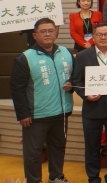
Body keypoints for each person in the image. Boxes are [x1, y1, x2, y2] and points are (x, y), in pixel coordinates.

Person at [10, 18, 74, 183]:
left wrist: (72, 84)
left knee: (58, 148)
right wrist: (23, 114)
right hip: (36, 115)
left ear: (56, 32)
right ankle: (34, 180)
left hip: (61, 112)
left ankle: (56, 177)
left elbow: (75, 77)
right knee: (33, 153)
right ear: (35, 35)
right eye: (43, 31)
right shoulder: (25, 58)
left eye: (51, 31)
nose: (47, 34)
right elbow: (16, 88)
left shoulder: (66, 53)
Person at [71, 23, 107, 183]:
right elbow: (76, 81)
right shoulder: (82, 56)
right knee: (91, 146)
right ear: (93, 37)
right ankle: (93, 177)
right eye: (99, 34)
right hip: (92, 109)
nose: (103, 37)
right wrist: (86, 95)